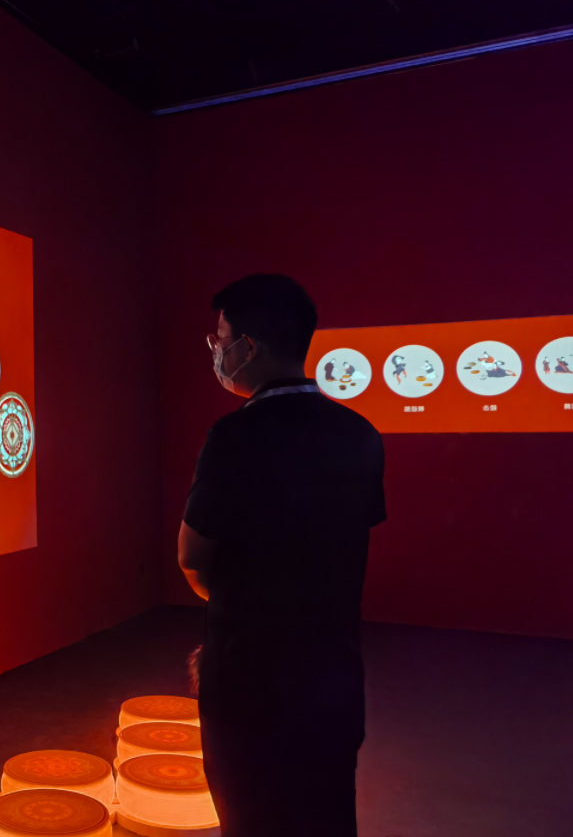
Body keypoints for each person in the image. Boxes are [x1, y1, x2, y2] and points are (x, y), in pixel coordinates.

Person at [178, 274, 386, 837]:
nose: (216, 351)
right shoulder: (360, 434)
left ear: (249, 346)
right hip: (333, 681)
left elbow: (192, 556)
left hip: (248, 682)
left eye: (221, 339)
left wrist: (235, 598)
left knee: (250, 816)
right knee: (327, 815)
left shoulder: (233, 437)